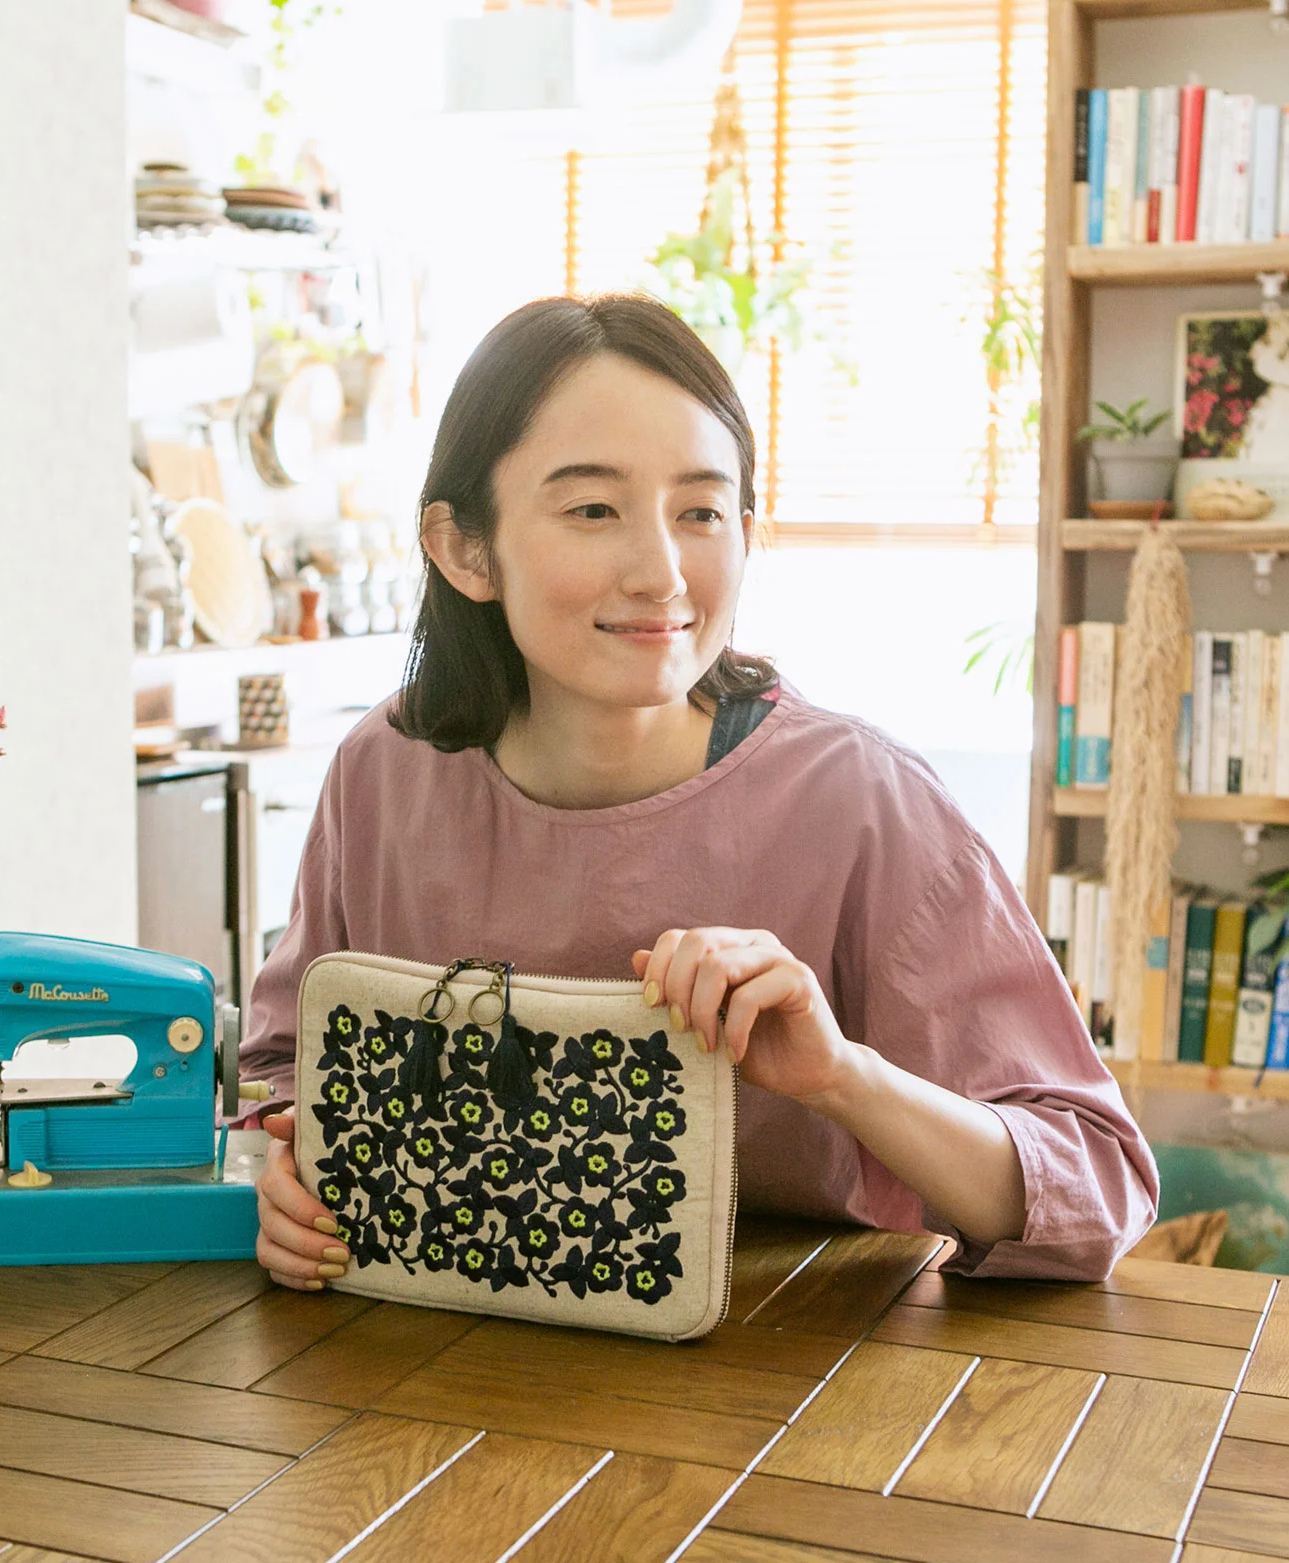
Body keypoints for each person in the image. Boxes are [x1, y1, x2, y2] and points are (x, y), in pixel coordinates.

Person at [244, 293, 1158, 1293]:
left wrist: (841, 1076)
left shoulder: (862, 803)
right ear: (466, 548)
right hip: (412, 1352)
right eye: (593, 510)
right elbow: (281, 1073)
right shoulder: (383, 771)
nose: (662, 573)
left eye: (701, 513)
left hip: (796, 1362)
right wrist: (274, 1176)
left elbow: (1096, 1188)